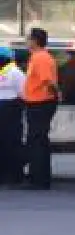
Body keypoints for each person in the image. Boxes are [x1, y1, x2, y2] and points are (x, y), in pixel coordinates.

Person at [21, 26, 60, 189]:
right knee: (37, 140)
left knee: (37, 141)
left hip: (40, 103)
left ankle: (39, 179)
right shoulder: (37, 57)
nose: (27, 42)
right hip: (38, 102)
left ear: (35, 41)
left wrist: (54, 96)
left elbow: (48, 81)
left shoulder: (41, 58)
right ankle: (38, 176)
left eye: (29, 39)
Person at [0, 48, 23, 186]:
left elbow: (23, 92)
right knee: (8, 143)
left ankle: (11, 175)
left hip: (10, 108)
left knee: (9, 143)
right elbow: (23, 92)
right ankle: (9, 175)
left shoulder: (14, 72)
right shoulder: (14, 72)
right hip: (9, 109)